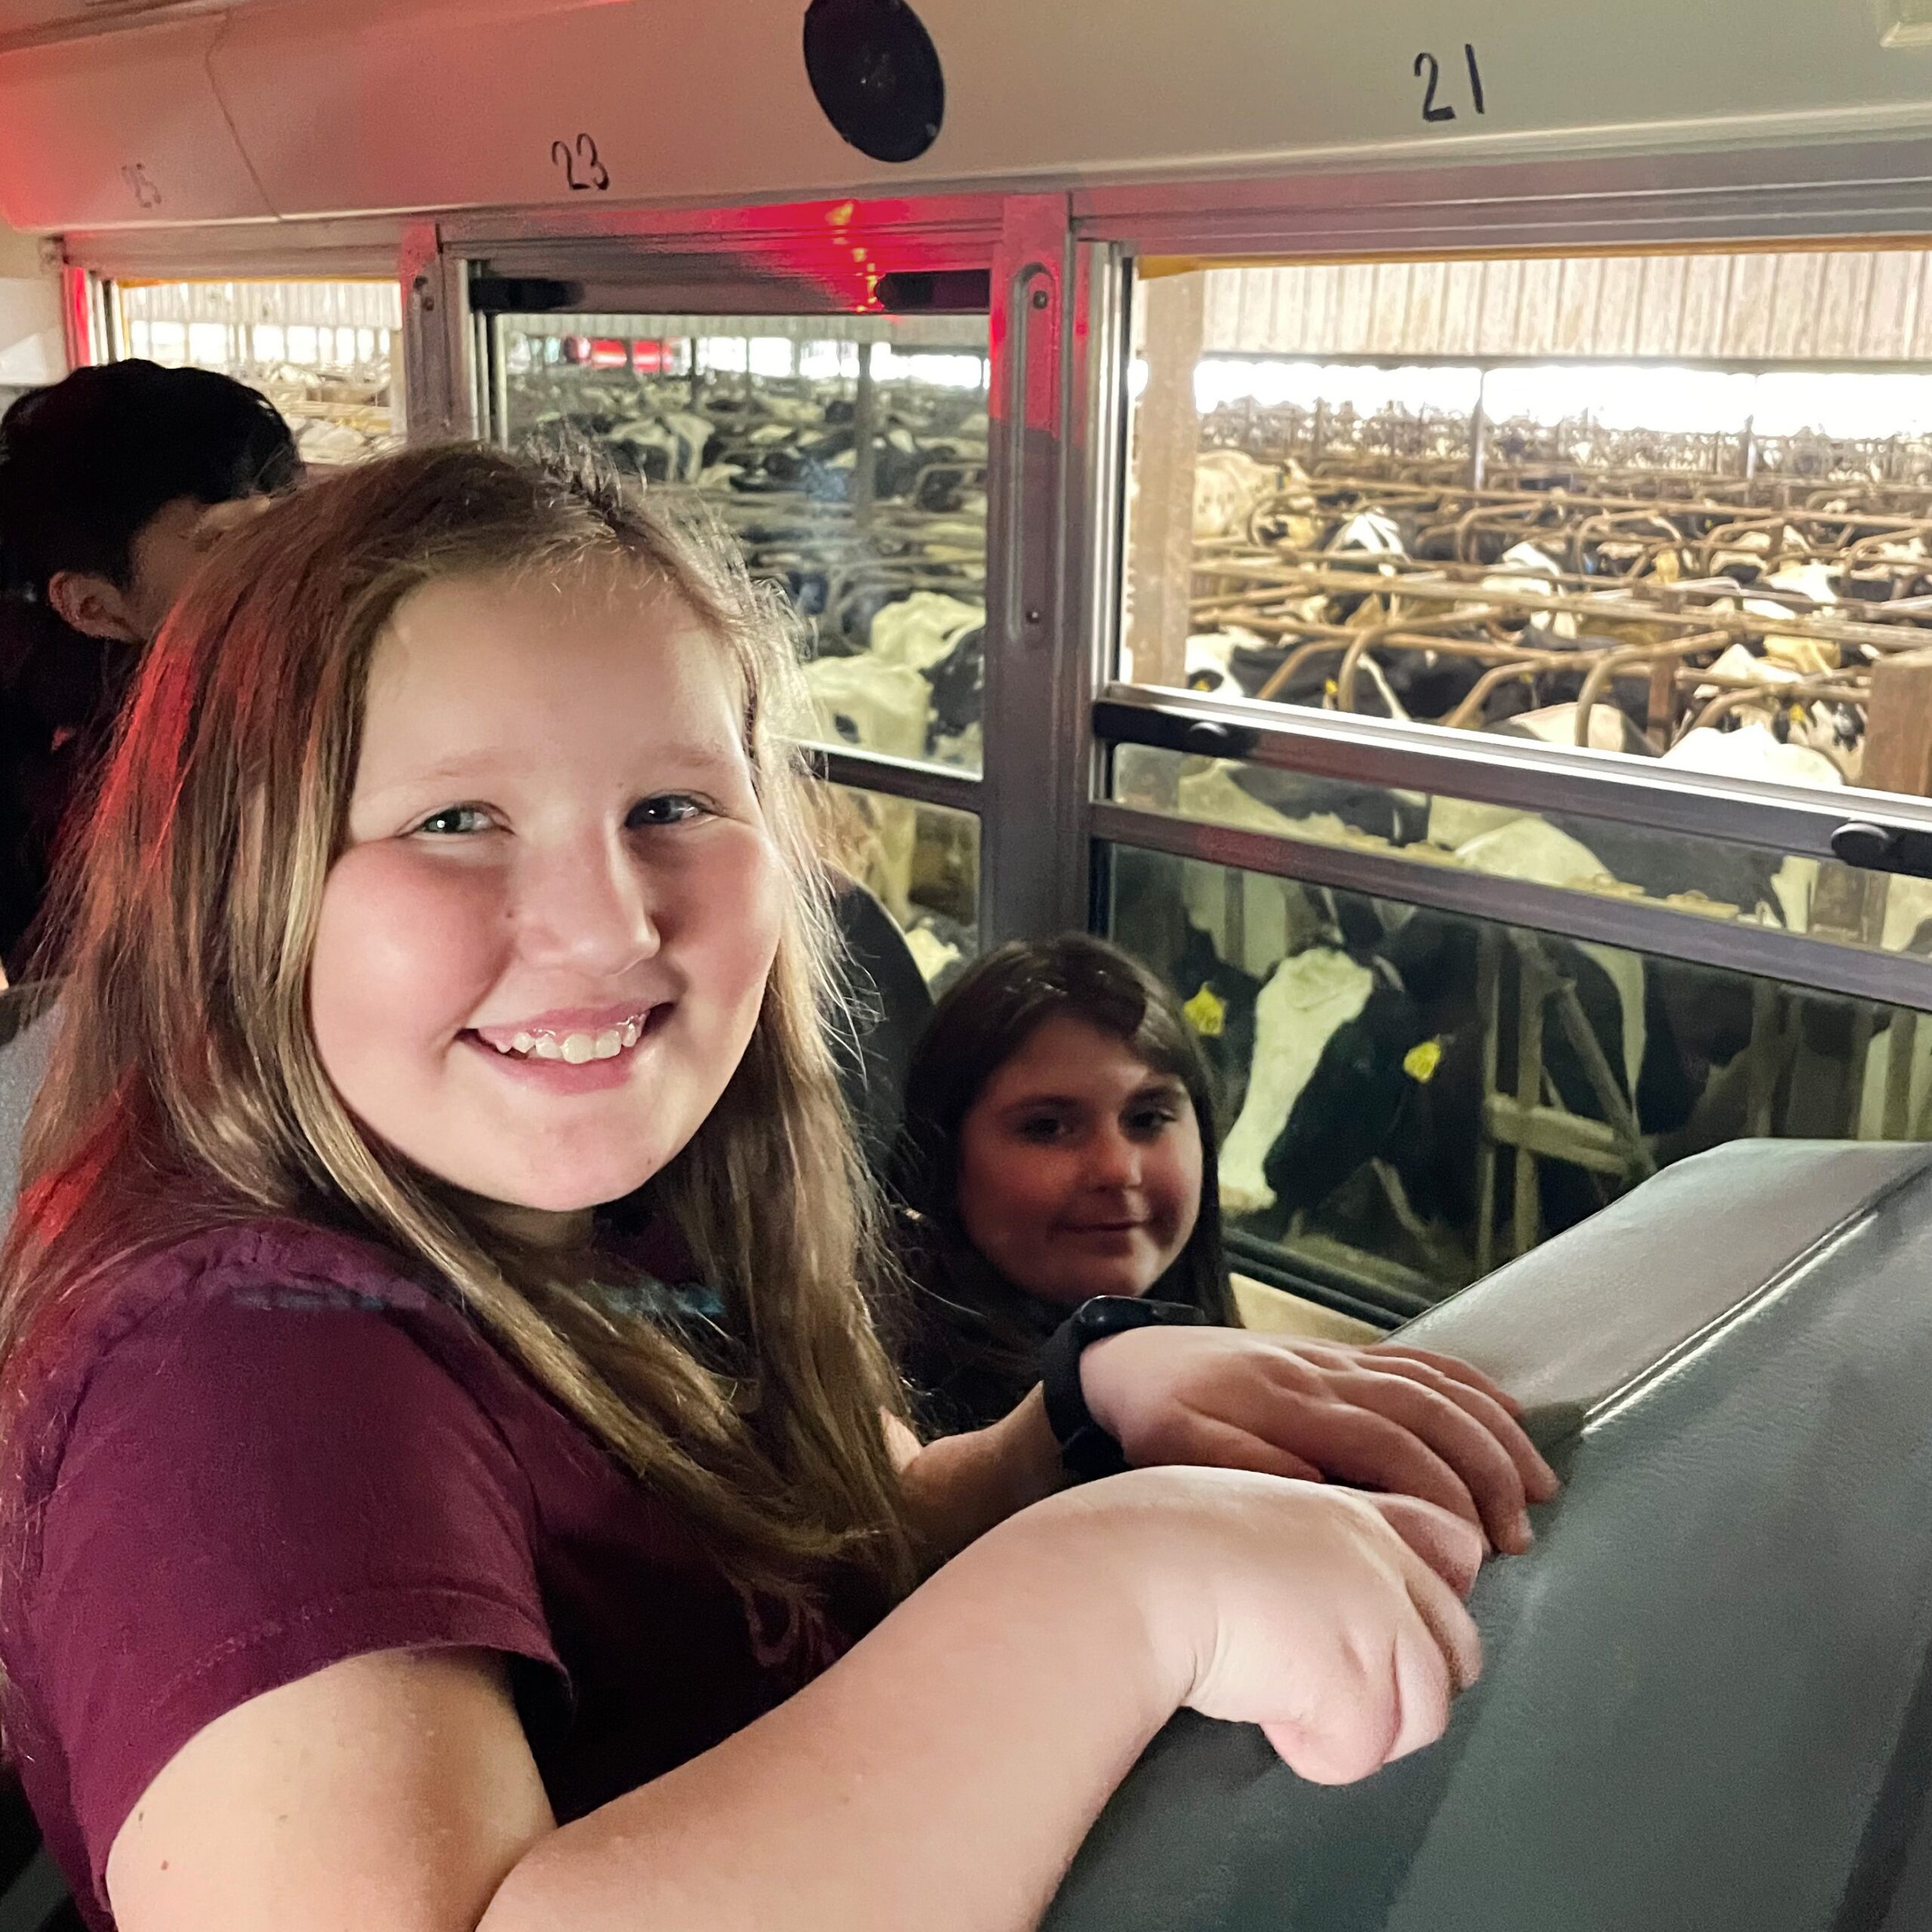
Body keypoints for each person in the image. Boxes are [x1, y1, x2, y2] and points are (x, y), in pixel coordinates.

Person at [0, 445, 1553, 1932]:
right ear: (230, 886)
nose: (609, 927)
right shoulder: (238, 1373)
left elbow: (824, 1558)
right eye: (455, 820)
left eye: (671, 805)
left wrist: (1073, 1424)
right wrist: (1113, 1598)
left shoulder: (620, 1223)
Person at [889, 934, 1521, 1532]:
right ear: (940, 1160)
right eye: (1047, 1127)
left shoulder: (1220, 1352)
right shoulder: (880, 1402)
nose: (1117, 1169)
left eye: (1148, 1117)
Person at [0, 359, 299, 976]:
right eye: (221, 543)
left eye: (290, 522)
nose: (287, 564)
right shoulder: (108, 828)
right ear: (95, 607)